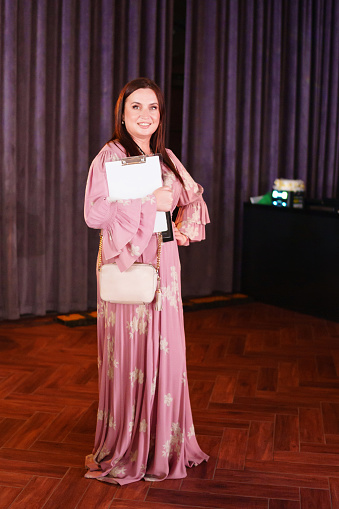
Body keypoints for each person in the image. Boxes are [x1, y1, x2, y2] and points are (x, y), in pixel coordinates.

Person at [84, 77, 210, 485]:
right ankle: (129, 444)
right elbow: (95, 214)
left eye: (152, 107)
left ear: (160, 115)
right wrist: (145, 202)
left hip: (164, 260)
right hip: (127, 262)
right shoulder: (110, 154)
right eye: (135, 106)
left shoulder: (167, 157)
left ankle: (164, 443)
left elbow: (192, 198)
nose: (145, 115)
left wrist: (181, 227)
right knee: (131, 353)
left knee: (166, 351)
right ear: (122, 113)